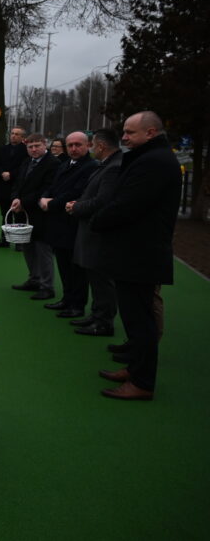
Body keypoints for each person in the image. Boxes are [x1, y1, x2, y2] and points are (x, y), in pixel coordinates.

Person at [90, 111, 181, 401]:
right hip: (135, 251)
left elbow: (127, 204)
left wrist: (98, 219)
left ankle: (142, 381)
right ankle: (135, 368)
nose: (124, 137)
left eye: (130, 132)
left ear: (151, 133)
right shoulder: (150, 158)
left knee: (140, 320)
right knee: (133, 317)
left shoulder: (154, 162)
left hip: (140, 253)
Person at [66, 129, 123, 336]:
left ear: (100, 146)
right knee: (95, 278)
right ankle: (97, 315)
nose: (91, 148)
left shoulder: (113, 167)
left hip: (98, 232)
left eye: (91, 144)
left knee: (102, 280)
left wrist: (76, 207)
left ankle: (103, 321)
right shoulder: (108, 165)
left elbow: (103, 200)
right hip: (91, 230)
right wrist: (79, 203)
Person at [39, 131, 97, 318]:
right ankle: (67, 299)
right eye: (70, 145)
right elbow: (53, 186)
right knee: (63, 264)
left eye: (78, 145)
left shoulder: (90, 167)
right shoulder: (65, 164)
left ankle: (77, 305)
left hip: (74, 224)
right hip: (58, 223)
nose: (73, 148)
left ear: (88, 145)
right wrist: (44, 197)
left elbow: (76, 192)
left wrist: (50, 203)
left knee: (76, 268)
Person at [9, 134, 59, 300]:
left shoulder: (53, 163)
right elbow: (17, 184)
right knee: (28, 247)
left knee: (43, 250)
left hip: (41, 214)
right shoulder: (26, 162)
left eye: (37, 145)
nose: (34, 149)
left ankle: (47, 286)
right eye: (30, 147)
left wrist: (22, 201)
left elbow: (47, 189)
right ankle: (34, 279)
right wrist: (16, 198)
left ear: (45, 144)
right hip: (24, 213)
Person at [0, 126, 29, 247]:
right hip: (3, 185)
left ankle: (19, 242)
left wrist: (11, 174)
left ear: (22, 137)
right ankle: (5, 239)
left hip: (18, 187)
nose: (13, 135)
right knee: (5, 214)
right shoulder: (3, 149)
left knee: (19, 214)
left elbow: (25, 166)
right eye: (12, 133)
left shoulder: (26, 150)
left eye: (17, 134)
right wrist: (2, 173)